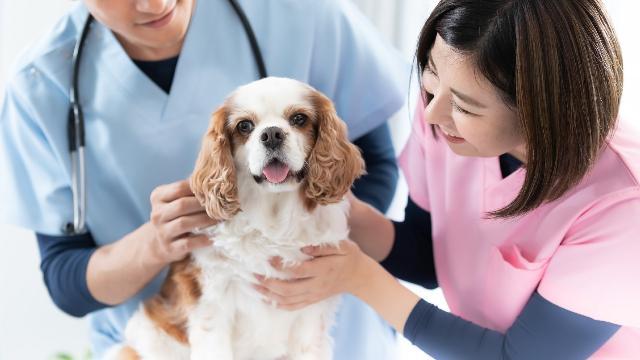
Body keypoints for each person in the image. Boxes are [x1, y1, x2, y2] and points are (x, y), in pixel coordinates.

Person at [0, 0, 409, 358]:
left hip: (323, 332)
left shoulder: (304, 12)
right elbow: (65, 279)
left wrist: (315, 236)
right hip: (177, 339)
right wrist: (156, 243)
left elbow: (375, 162)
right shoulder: (40, 86)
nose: (154, 3)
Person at [255, 0, 640, 358]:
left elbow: (518, 356)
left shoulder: (623, 204)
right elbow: (428, 254)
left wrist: (360, 277)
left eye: (463, 105)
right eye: (431, 78)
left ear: (541, 108)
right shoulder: (448, 126)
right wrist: (336, 209)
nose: (432, 113)